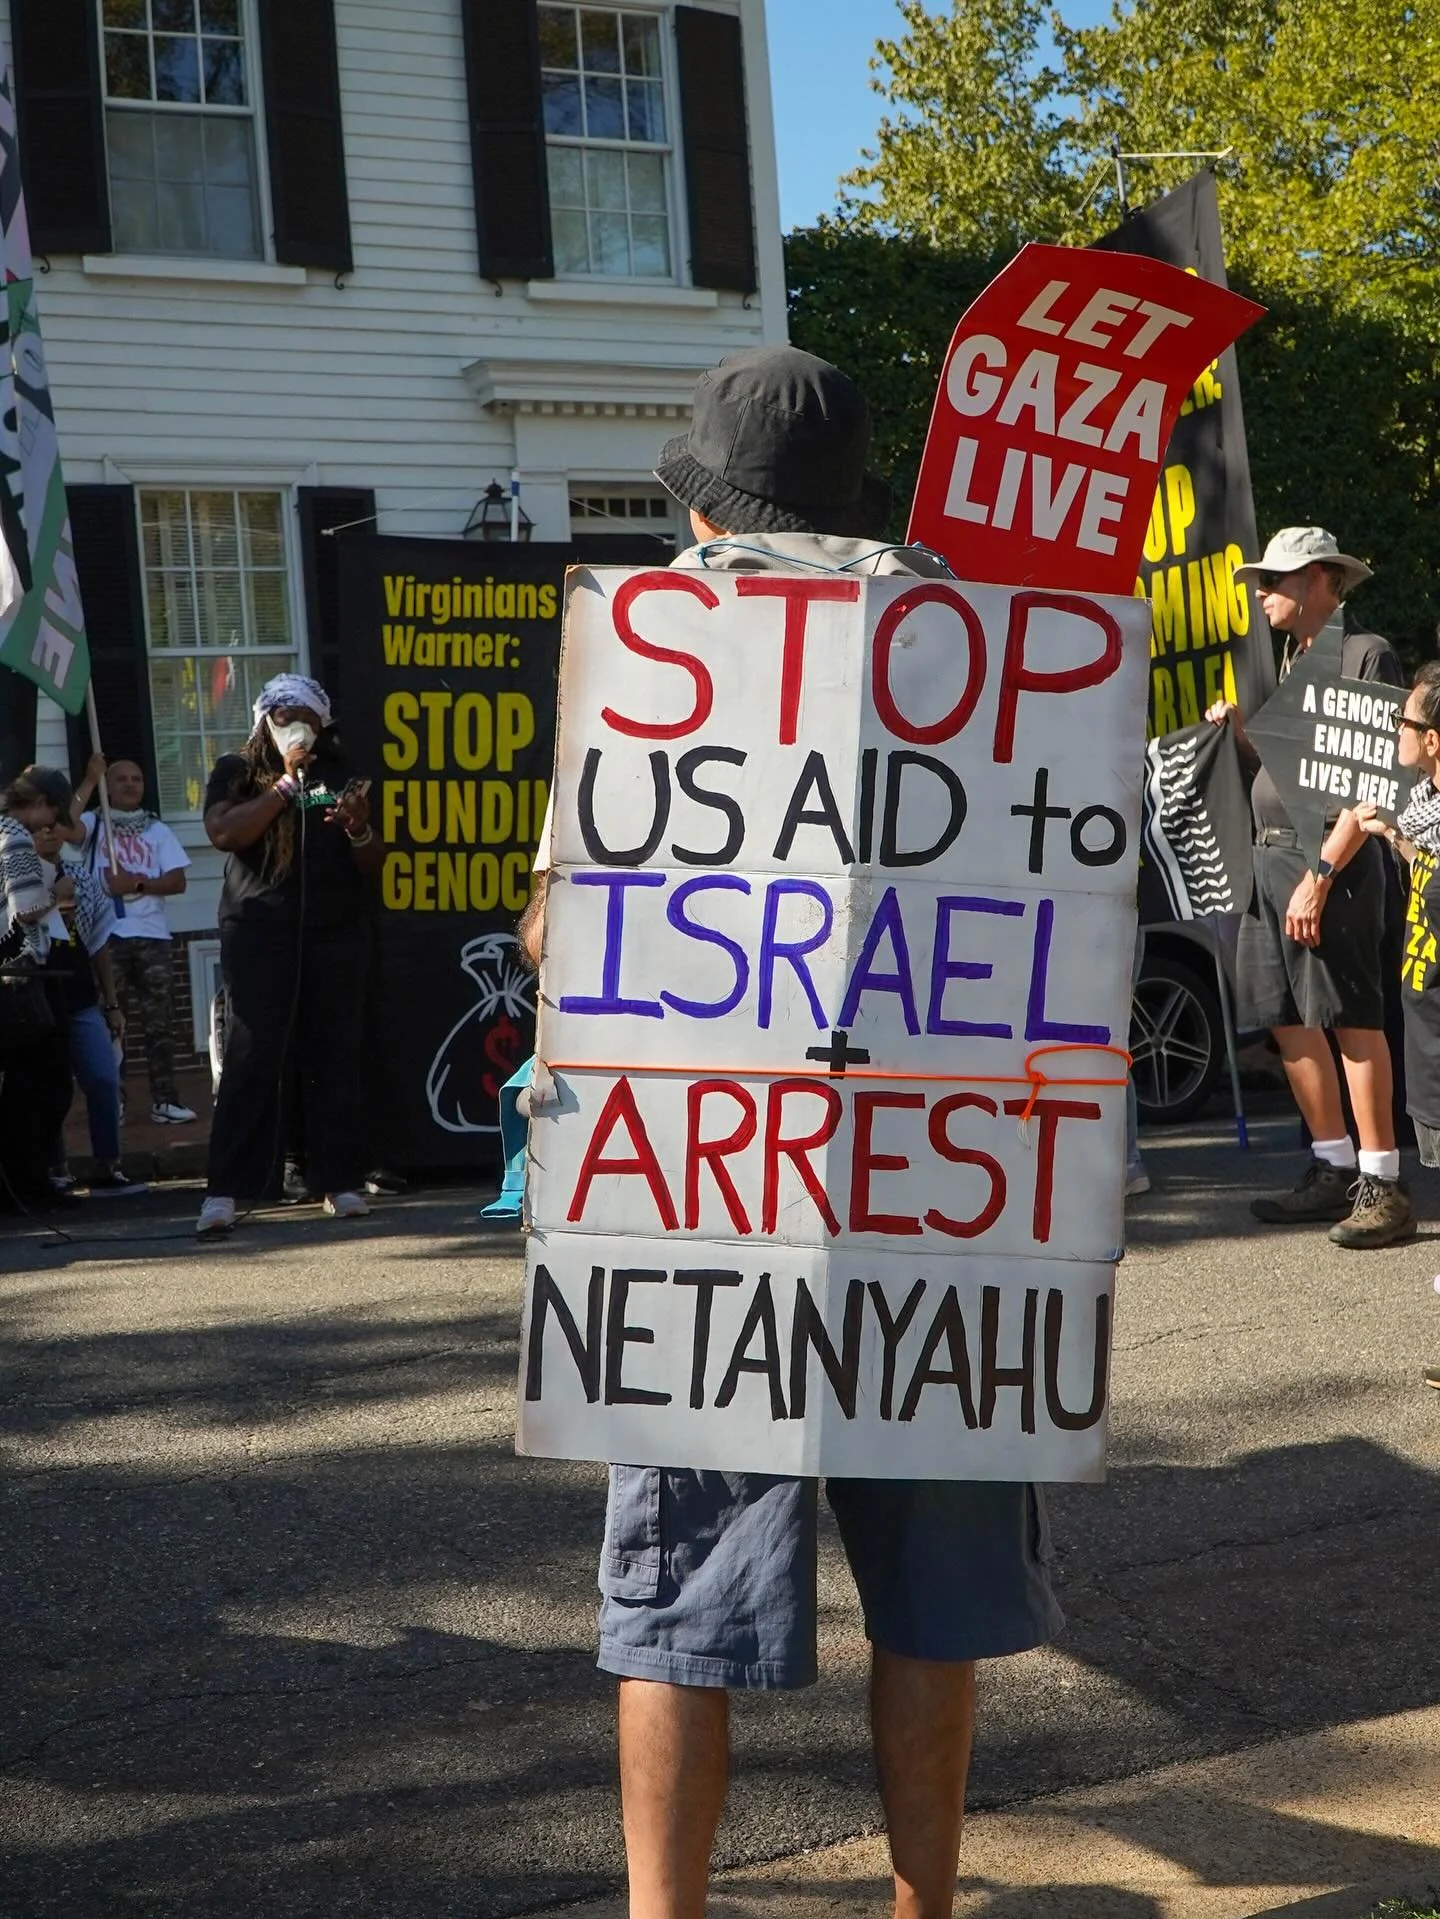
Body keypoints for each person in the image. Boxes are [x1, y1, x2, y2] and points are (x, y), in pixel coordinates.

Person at [519, 345, 1062, 1919]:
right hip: (947, 1197)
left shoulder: (652, 648)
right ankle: (923, 1909)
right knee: (935, 1604)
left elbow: (565, 942)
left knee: (677, 1605)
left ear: (705, 508)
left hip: (703, 1197)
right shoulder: (987, 648)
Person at [1205, 527, 1412, 1249]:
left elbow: (1373, 781)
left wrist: (1320, 876)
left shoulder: (1364, 653)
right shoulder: (1295, 657)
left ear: (1322, 579)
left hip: (1328, 863)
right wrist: (1240, 734)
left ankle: (1383, 1184)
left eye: (1276, 579)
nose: (1262, 592)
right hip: (1270, 858)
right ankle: (1332, 1167)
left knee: (1351, 1016)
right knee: (1286, 1017)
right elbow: (1295, 770)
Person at [196, 674, 382, 1236]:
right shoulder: (236, 771)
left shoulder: (340, 776)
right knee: (252, 1055)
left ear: (322, 724)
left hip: (333, 932)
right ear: (264, 722)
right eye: (283, 716)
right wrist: (282, 786)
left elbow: (372, 863)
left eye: (305, 716)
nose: (295, 725)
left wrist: (358, 829)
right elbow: (225, 833)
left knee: (333, 1054)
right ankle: (227, 1190)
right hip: (259, 931)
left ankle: (339, 1181)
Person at [1355, 663, 1440, 1385]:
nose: (1396, 731)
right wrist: (1396, 838)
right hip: (1426, 1035)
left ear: (1433, 740)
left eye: (1405, 722)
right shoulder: (1425, 812)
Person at [70, 753, 195, 1125]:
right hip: (107, 937)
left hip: (152, 937)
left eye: (136, 779)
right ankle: (114, 1100)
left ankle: (165, 1101)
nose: (129, 785)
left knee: (161, 1023)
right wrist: (90, 779)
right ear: (108, 787)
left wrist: (136, 884)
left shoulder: (157, 830)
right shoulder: (95, 824)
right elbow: (65, 825)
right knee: (110, 1023)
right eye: (120, 779)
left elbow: (177, 880)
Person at [32, 822, 145, 1196]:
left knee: (103, 1077)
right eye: (38, 828)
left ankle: (107, 1165)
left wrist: (111, 1003)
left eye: (54, 826)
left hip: (80, 997)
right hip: (37, 998)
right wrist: (52, 898)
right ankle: (55, 1167)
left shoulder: (81, 877)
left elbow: (98, 944)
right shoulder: (18, 880)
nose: (48, 833)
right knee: (49, 1085)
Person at [0, 767, 83, 1213]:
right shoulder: (14, 837)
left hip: (12, 972)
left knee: (24, 1086)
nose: (51, 827)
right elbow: (27, 908)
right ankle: (29, 1183)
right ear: (39, 803)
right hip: (22, 973)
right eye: (53, 814)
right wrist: (59, 892)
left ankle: (24, 1182)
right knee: (41, 1085)